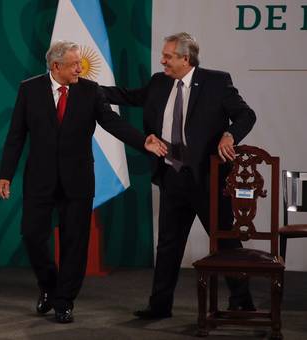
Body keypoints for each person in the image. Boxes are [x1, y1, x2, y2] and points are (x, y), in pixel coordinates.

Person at [0, 40, 167, 324]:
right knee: (32, 234)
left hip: (78, 179)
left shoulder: (90, 91)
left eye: (80, 63)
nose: (80, 68)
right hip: (39, 178)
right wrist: (5, 174)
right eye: (74, 64)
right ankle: (49, 286)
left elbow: (112, 123)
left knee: (75, 243)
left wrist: (143, 141)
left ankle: (64, 301)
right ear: (56, 66)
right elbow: (16, 135)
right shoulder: (30, 89)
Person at [101, 32, 257, 319]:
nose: (162, 60)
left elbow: (246, 115)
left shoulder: (217, 82)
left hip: (208, 180)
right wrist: (86, 88)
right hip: (172, 175)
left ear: (186, 58)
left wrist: (230, 135)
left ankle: (241, 300)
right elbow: (128, 96)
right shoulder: (159, 82)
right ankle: (160, 305)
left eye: (168, 56)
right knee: (168, 244)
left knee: (226, 242)